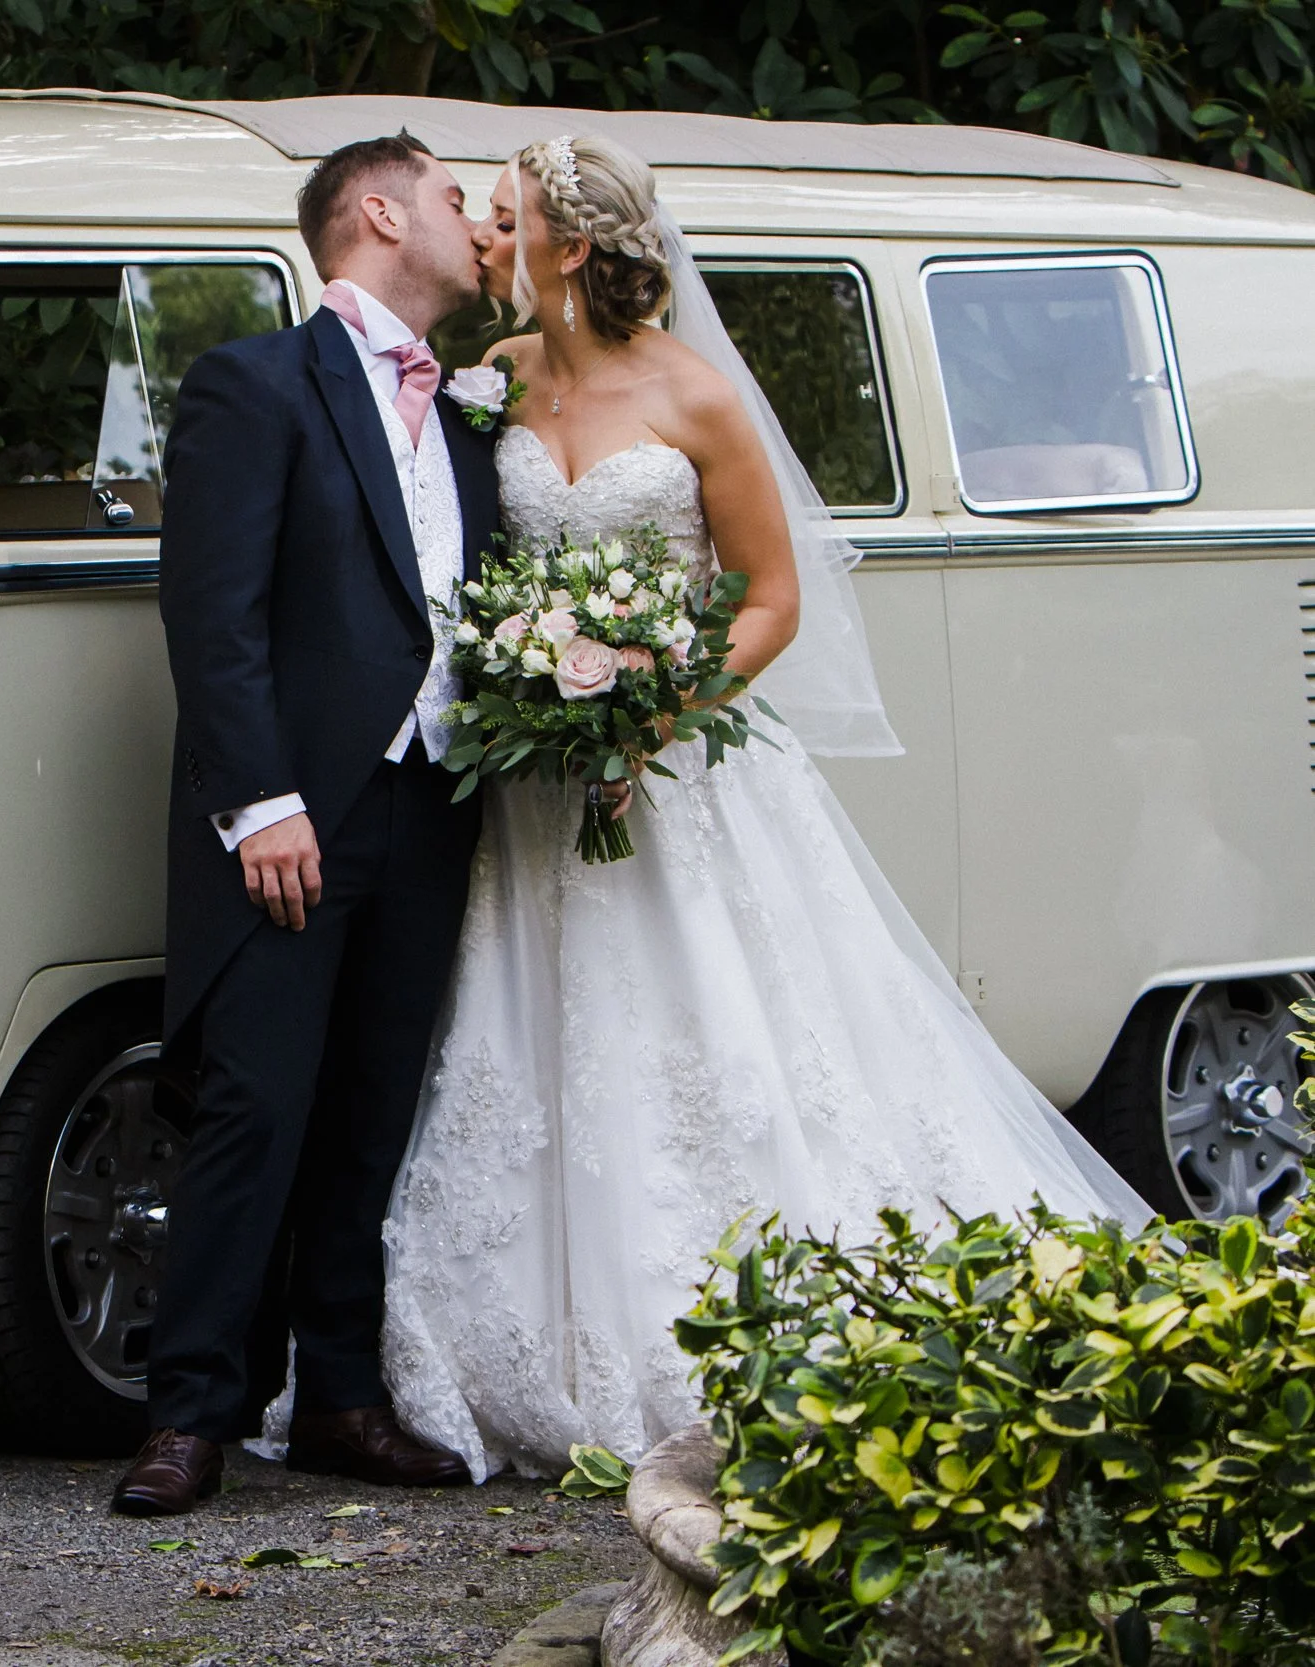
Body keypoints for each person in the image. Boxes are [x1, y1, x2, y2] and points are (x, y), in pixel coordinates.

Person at [373, 133, 1152, 1481]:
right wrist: (533, 682)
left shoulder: (696, 398)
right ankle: (509, 1346)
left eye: (503, 218)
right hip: (535, 798)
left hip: (677, 781)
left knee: (710, 1039)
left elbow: (772, 598)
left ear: (570, 243)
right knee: (522, 1046)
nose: (483, 238)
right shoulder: (495, 384)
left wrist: (648, 711)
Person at [110, 132, 503, 1517]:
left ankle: (340, 1396)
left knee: (372, 1109)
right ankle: (189, 1413)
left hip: (433, 803)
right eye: (457, 199)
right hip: (295, 814)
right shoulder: (254, 382)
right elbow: (212, 617)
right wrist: (259, 802)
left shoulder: (468, 419)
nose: (477, 220)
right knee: (255, 1106)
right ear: (381, 212)